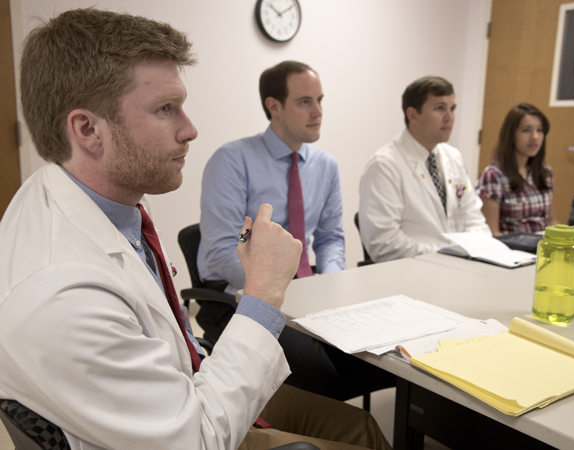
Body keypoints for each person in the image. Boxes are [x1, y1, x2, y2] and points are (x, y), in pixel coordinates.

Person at [0, 9, 392, 450]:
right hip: (189, 425)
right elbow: (196, 440)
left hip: (188, 378)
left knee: (364, 430)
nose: (190, 129)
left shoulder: (98, 200)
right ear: (88, 129)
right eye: (165, 109)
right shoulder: (61, 295)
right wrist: (263, 292)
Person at [196, 60, 396, 401]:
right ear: (274, 106)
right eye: (305, 102)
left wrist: (329, 284)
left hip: (307, 287)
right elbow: (226, 245)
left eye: (320, 100)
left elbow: (331, 238)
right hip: (243, 294)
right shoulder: (233, 160)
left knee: (379, 351)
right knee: (323, 371)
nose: (318, 111)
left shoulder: (325, 166)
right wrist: (285, 289)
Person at [359, 76, 491, 262]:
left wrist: (480, 248)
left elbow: (473, 217)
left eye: (452, 108)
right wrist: (445, 254)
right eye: (439, 108)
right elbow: (384, 243)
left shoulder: (453, 157)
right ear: (412, 115)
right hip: (412, 271)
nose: (449, 117)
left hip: (459, 265)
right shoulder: (384, 165)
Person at [476, 103, 558, 235]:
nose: (535, 137)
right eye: (526, 130)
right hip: (512, 248)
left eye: (540, 130)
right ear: (511, 134)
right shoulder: (493, 175)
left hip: (542, 247)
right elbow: (491, 233)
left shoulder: (545, 172)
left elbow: (552, 221)